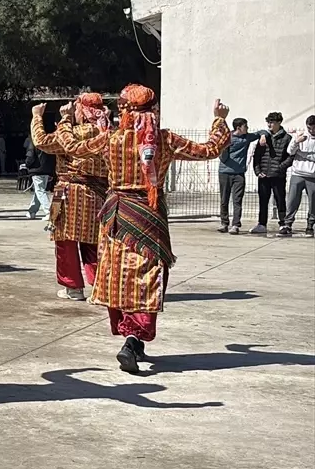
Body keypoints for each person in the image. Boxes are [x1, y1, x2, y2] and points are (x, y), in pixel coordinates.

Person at [57, 88, 229, 374]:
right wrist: (219, 120)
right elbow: (209, 149)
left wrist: (64, 121)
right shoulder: (166, 139)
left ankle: (130, 336)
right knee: (147, 276)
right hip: (149, 215)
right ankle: (134, 339)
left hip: (118, 216)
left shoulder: (111, 139)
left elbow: (72, 146)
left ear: (124, 110)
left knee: (118, 275)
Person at [31, 94, 109, 301]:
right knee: (93, 242)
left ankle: (72, 287)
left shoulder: (72, 133)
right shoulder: (109, 133)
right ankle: (100, 286)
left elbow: (42, 141)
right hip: (98, 193)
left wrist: (37, 117)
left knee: (65, 242)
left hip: (69, 192)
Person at [250, 112, 292, 234]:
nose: (269, 124)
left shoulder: (287, 138)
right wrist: (258, 171)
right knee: (263, 200)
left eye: (272, 122)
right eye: (268, 121)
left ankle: (283, 224)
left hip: (278, 175)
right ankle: (262, 224)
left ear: (279, 123)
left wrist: (280, 168)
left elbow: (290, 157)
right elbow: (256, 155)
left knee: (280, 199)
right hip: (264, 175)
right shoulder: (264, 137)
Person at [281, 115, 315, 237]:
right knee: (292, 200)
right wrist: (296, 142)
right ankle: (287, 224)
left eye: (313, 129)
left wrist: (303, 154)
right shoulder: (301, 136)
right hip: (298, 173)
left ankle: (310, 225)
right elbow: (290, 151)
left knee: (313, 202)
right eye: (309, 128)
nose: (311, 131)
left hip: (313, 175)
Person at [217, 118, 253, 234]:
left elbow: (261, 133)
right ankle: (224, 223)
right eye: (245, 126)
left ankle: (236, 225)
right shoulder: (227, 138)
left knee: (237, 200)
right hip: (225, 172)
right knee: (224, 199)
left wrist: (262, 136)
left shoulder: (246, 137)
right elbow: (222, 157)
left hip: (239, 173)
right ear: (238, 128)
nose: (247, 129)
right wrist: (224, 149)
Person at [23, 122, 56, 221]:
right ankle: (32, 211)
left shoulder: (34, 140)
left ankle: (49, 211)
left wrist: (27, 164)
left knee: (40, 190)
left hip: (37, 169)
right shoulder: (50, 139)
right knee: (39, 190)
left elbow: (30, 155)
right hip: (47, 168)